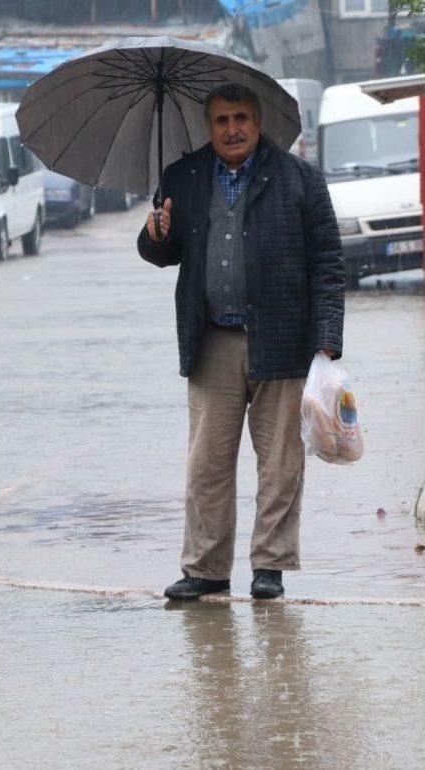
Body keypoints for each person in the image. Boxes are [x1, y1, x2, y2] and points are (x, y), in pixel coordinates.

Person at [137, 83, 344, 601]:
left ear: (258, 123)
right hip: (212, 341)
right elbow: (163, 252)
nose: (232, 129)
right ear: (209, 126)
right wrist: (156, 234)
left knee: (280, 464)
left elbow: (328, 264)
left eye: (241, 119)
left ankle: (269, 567)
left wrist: (326, 341)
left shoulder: (299, 179)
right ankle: (205, 568)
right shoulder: (183, 177)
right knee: (206, 463)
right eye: (222, 120)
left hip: (284, 339)